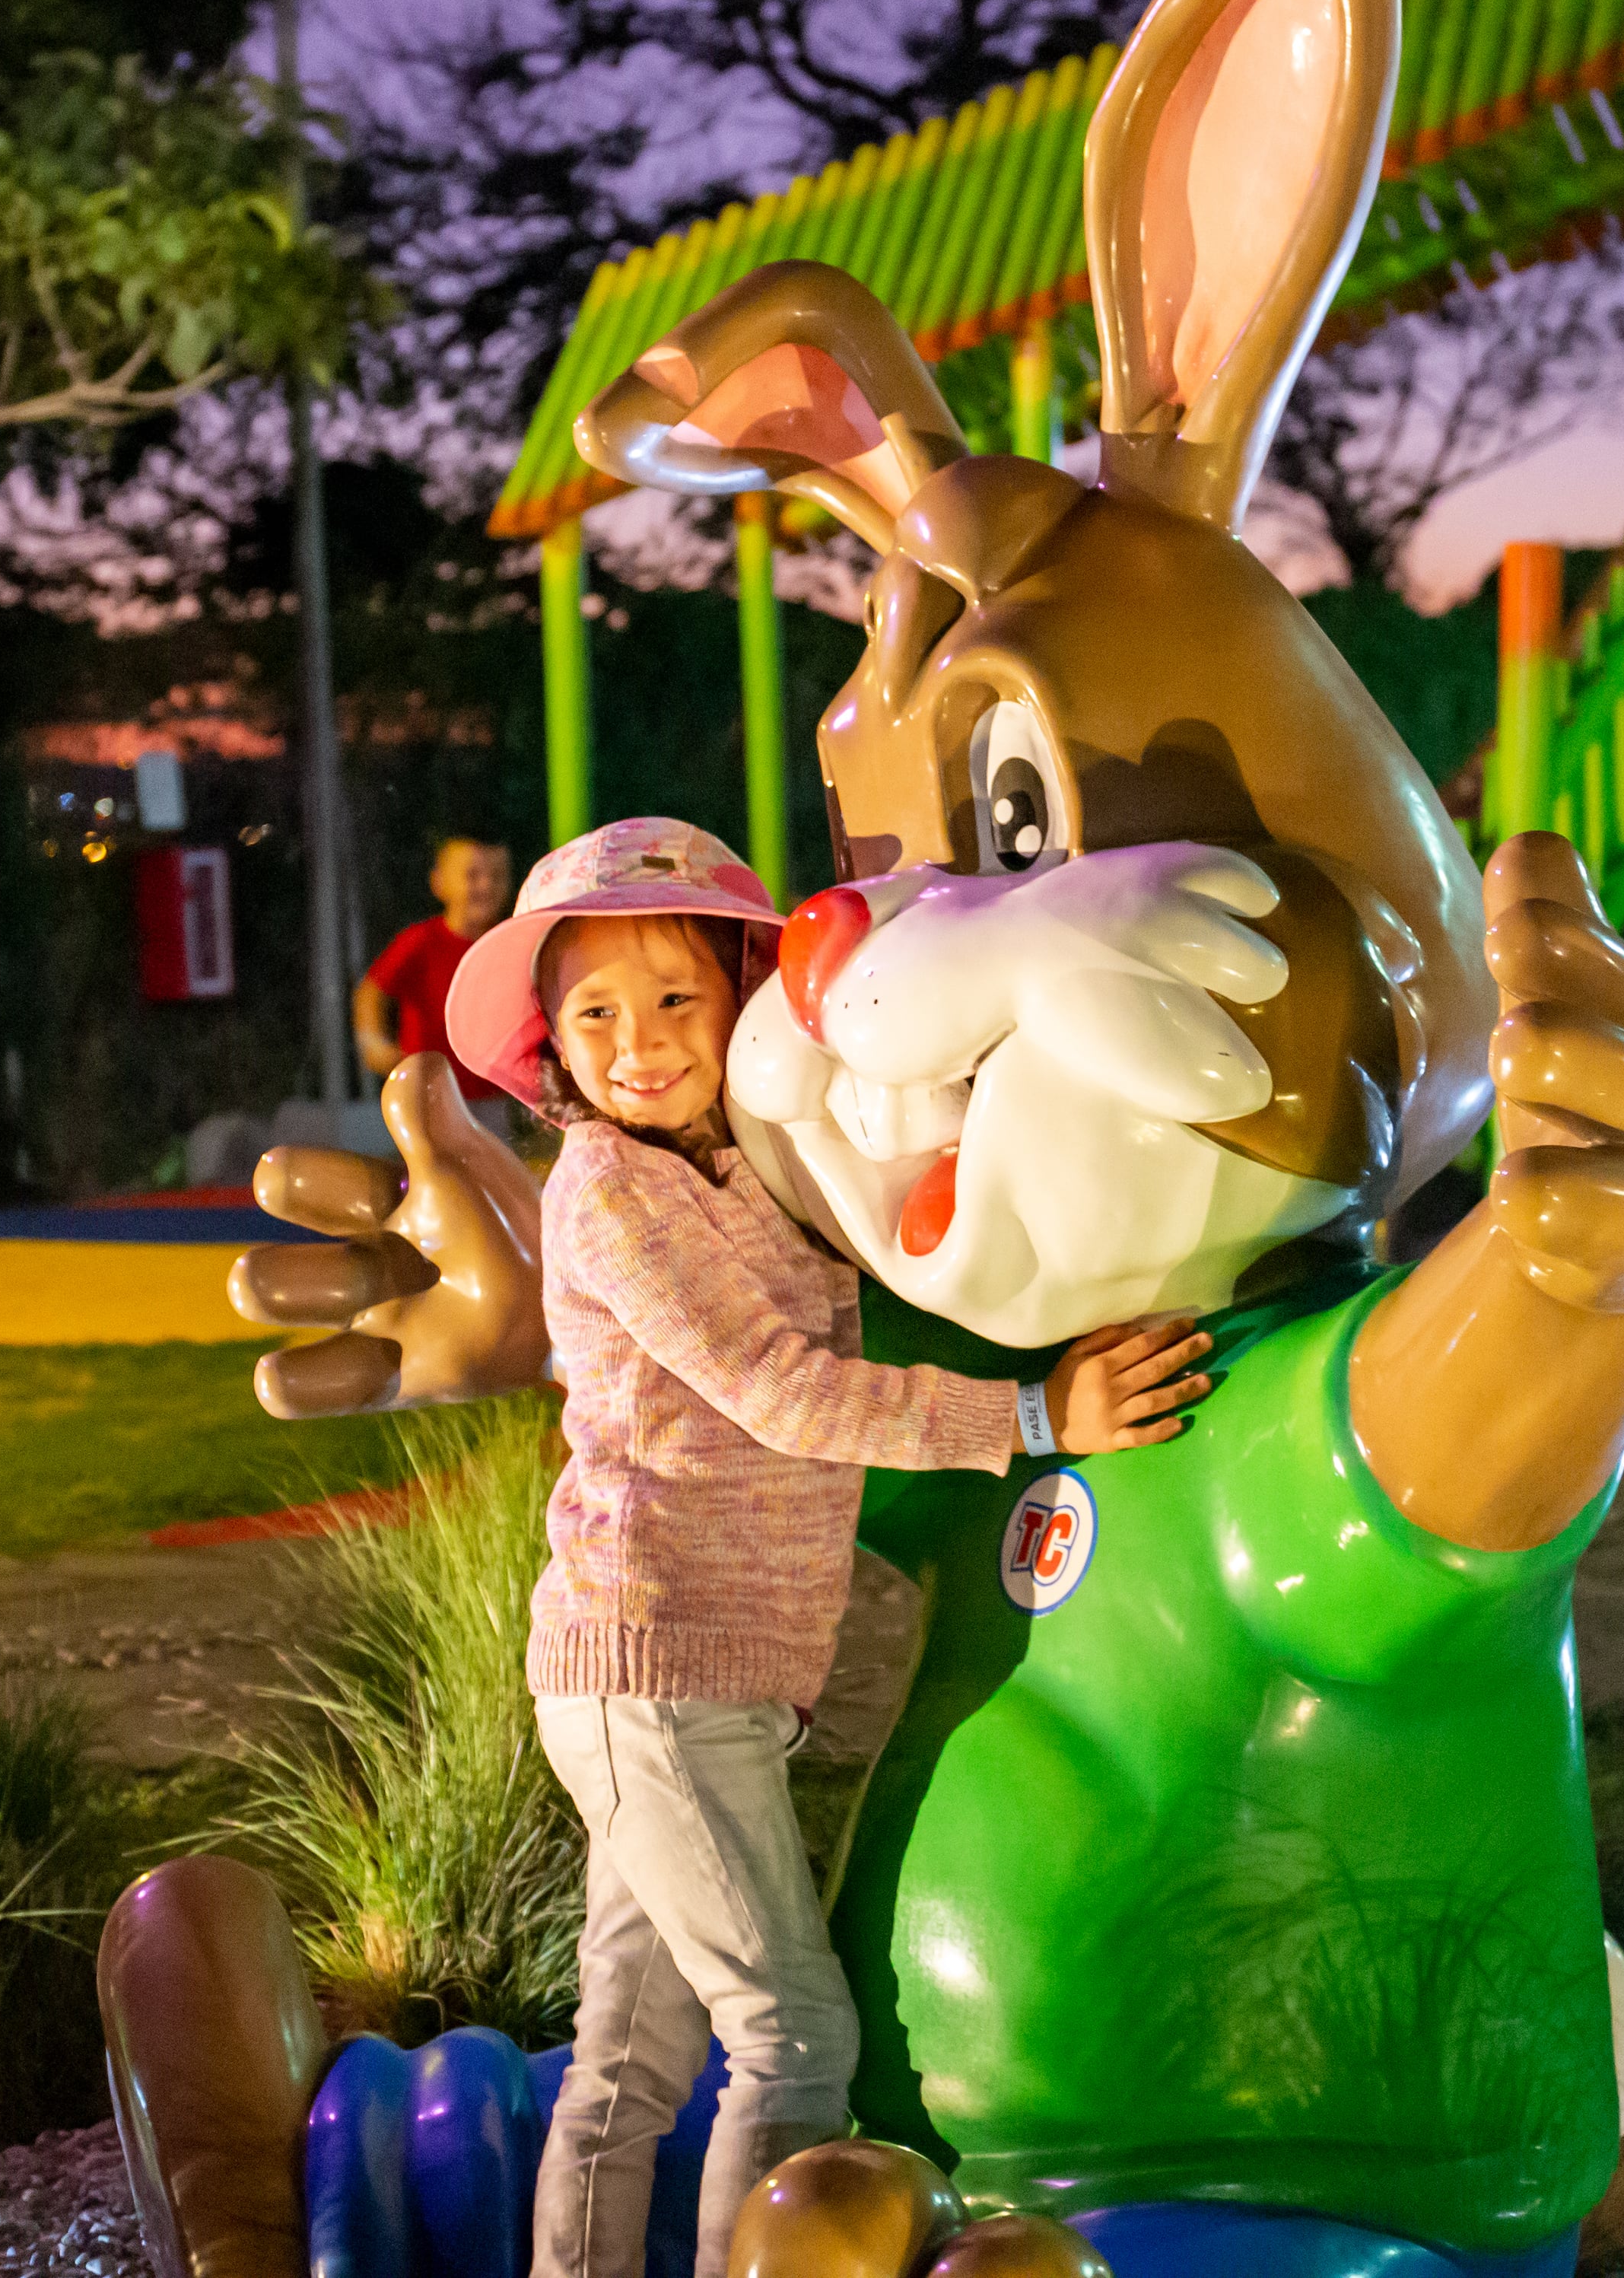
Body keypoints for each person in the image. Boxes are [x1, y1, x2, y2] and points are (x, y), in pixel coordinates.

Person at [439, 816, 1212, 2278]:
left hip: (703, 1671)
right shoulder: (610, 1191)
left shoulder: (742, 1175)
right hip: (650, 1667)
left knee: (630, 2051)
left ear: (740, 997)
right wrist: (1042, 1410)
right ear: (550, 1040)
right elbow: (788, 1393)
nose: (642, 1042)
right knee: (794, 2033)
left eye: (678, 998)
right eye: (596, 1012)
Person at [354, 835, 513, 1107]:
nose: (486, 886)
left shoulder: (509, 941)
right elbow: (371, 992)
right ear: (439, 883)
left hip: (493, 1095)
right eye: (472, 875)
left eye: (497, 876)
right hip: (427, 1094)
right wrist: (375, 1043)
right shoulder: (421, 941)